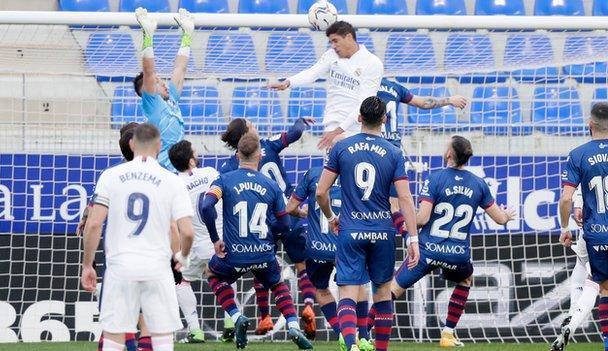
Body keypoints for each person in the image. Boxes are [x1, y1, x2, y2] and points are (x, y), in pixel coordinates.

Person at [384, 135, 515, 348]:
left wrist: (401, 215)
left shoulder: (435, 179)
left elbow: (422, 219)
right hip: (457, 255)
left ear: (449, 154)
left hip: (427, 251)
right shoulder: (479, 183)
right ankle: (447, 334)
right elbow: (500, 219)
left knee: (390, 292)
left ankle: (362, 332)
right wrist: (507, 216)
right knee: (465, 280)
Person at [316, 96, 419, 351]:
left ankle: (351, 345)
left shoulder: (341, 147)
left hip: (351, 229)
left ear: (359, 118)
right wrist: (413, 238)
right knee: (382, 292)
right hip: (383, 231)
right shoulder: (394, 152)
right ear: (384, 119)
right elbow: (404, 197)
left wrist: (331, 218)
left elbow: (320, 192)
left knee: (348, 291)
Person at [80, 123, 195, 351]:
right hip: (157, 268)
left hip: (120, 267)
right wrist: (181, 256)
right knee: (161, 339)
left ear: (132, 144)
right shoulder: (172, 180)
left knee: (113, 339)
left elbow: (93, 224)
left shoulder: (111, 176)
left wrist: (87, 265)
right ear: (159, 145)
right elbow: (184, 231)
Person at [200, 133, 313, 350]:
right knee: (277, 283)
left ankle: (236, 316)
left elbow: (206, 206)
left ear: (237, 154)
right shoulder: (271, 186)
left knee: (212, 274)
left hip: (234, 255)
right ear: (260, 156)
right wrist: (270, 238)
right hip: (263, 253)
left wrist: (215, 239)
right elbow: (284, 224)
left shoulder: (223, 179)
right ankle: (293, 325)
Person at [269, 21, 383, 149]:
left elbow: (365, 103)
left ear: (349, 37)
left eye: (336, 41)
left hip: (360, 127)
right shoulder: (331, 55)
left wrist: (338, 131)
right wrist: (288, 82)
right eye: (331, 42)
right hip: (333, 123)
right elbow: (312, 72)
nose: (333, 46)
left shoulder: (372, 63)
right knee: (334, 165)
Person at [169, 140, 233, 344]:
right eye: (195, 152)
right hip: (221, 241)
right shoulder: (210, 173)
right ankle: (231, 323)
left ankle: (195, 331)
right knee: (227, 278)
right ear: (190, 160)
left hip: (196, 245)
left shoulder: (174, 184)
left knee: (181, 281)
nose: (198, 154)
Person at [376, 77, 467, 213]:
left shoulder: (364, 85)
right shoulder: (394, 87)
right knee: (394, 207)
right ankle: (406, 233)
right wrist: (449, 100)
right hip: (393, 151)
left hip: (371, 147)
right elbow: (424, 103)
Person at [559, 102, 608, 351]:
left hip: (596, 233)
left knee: (600, 283)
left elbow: (566, 198)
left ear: (590, 124)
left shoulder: (578, 154)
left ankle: (573, 320)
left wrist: (564, 227)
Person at [133, 7, 193, 171]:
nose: (164, 83)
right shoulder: (152, 104)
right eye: (158, 82)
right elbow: (149, 72)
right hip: (164, 172)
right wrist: (148, 36)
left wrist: (187, 35)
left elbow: (180, 68)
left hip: (181, 171)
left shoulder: (171, 99)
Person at [552, 187, 600, 351]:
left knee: (582, 266)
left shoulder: (582, 160)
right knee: (599, 282)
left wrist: (578, 205)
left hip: (589, 225)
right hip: (602, 224)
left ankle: (573, 312)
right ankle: (573, 321)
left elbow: (568, 197)